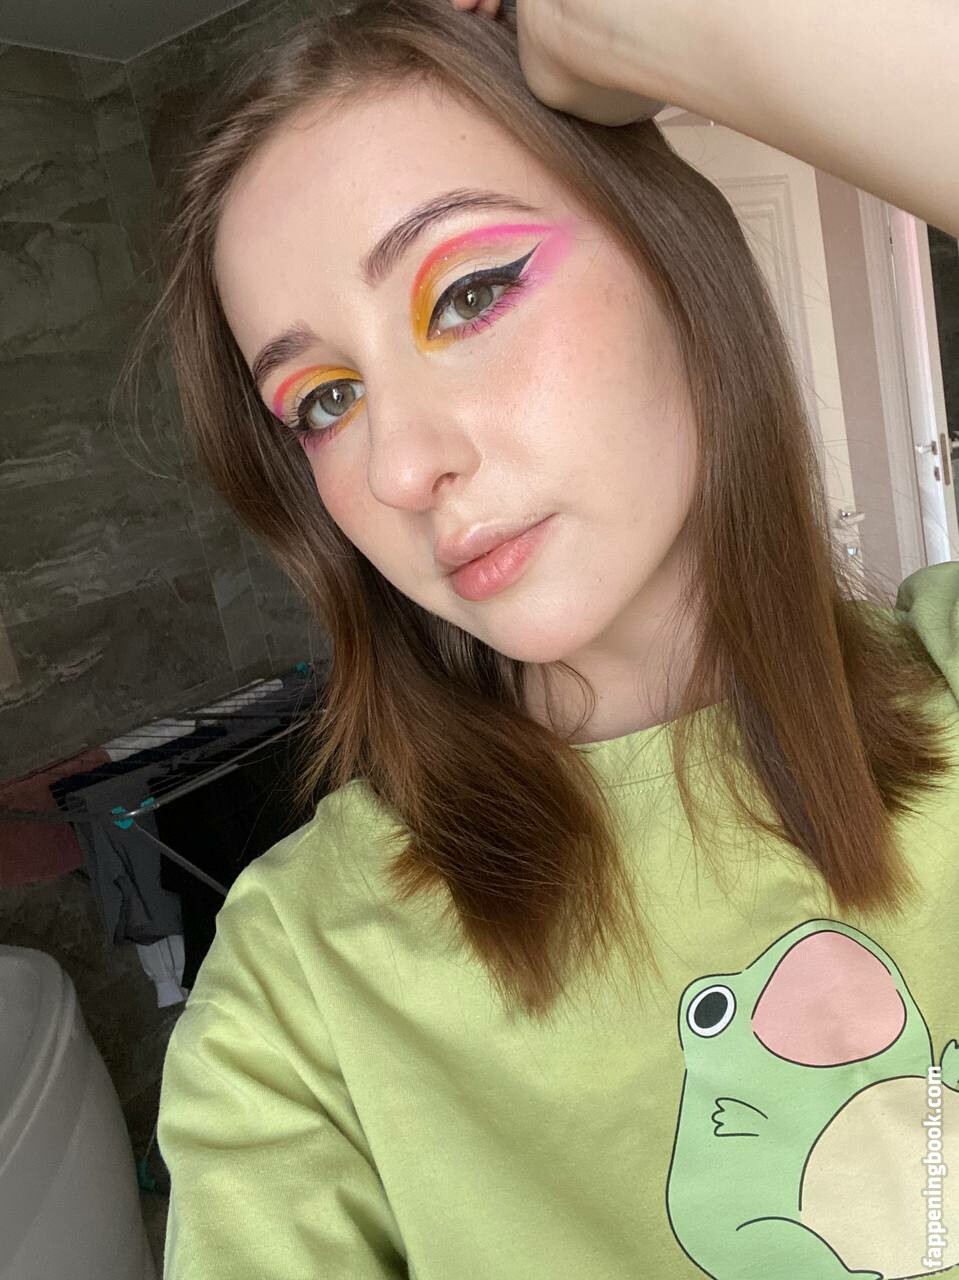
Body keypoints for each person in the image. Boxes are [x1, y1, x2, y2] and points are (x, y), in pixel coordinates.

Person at [146, 0, 959, 1276]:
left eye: (468, 294)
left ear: (674, 262)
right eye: (326, 400)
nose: (401, 464)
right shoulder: (295, 990)